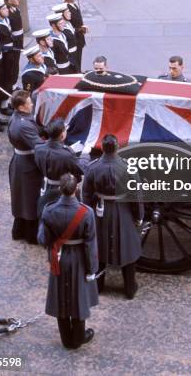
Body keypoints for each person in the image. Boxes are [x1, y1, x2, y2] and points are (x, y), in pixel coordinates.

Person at [38, 173, 98, 349]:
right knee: (79, 296)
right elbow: (90, 245)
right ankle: (78, 337)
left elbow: (43, 239)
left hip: (58, 256)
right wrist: (92, 269)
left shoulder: (49, 210)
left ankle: (66, 338)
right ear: (76, 189)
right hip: (79, 257)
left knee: (60, 296)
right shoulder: (86, 213)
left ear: (60, 189)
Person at [82, 134, 143, 299]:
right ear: (117, 147)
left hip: (100, 213)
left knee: (99, 249)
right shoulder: (128, 167)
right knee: (128, 249)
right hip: (123, 211)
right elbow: (135, 196)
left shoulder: (93, 167)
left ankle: (98, 286)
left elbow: (86, 195)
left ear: (103, 147)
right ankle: (130, 287)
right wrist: (139, 217)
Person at [8, 89, 44, 244]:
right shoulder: (24, 126)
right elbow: (40, 147)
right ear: (22, 107)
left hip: (20, 162)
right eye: (29, 102)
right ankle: (30, 235)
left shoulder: (17, 117)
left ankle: (19, 230)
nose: (32, 104)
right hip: (27, 165)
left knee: (20, 198)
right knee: (29, 200)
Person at [35, 118, 86, 214]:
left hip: (46, 187)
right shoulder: (66, 154)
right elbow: (81, 169)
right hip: (64, 190)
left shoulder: (38, 148)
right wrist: (84, 156)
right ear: (62, 135)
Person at [59, 0, 88, 71]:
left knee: (79, 58)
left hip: (79, 38)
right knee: (74, 60)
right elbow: (65, 27)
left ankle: (79, 71)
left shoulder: (74, 5)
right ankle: (76, 73)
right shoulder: (65, 9)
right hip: (73, 39)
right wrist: (79, 29)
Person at [1, 0, 23, 89]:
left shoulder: (16, 9)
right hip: (14, 41)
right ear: (9, 1)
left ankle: (14, 84)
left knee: (16, 63)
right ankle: (11, 86)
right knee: (12, 65)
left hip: (19, 40)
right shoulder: (8, 12)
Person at [52, 3, 78, 72]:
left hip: (73, 55)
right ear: (62, 15)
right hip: (65, 62)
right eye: (68, 12)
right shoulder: (62, 31)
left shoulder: (68, 23)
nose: (70, 13)